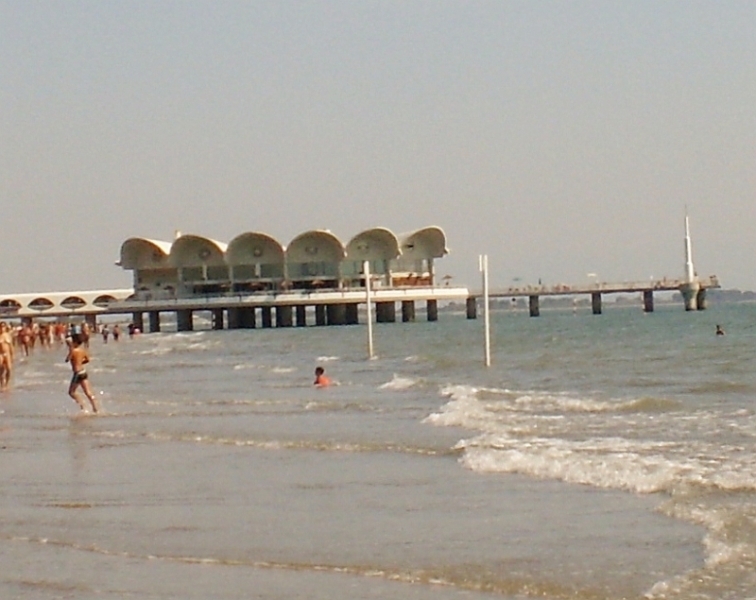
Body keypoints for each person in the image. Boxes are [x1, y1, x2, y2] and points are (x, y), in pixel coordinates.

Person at [66, 335, 100, 413]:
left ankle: (83, 406)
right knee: (88, 392)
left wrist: (70, 348)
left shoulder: (73, 351)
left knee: (71, 392)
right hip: (83, 371)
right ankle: (95, 408)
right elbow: (87, 360)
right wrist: (80, 363)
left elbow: (67, 359)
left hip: (77, 373)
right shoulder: (82, 350)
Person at [0, 322, 15, 392]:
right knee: (1, 369)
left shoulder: (8, 335)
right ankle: (2, 384)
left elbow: (11, 346)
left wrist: (13, 355)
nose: (2, 328)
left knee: (9, 369)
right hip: (0, 354)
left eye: (3, 327)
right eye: (1, 327)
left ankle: (7, 384)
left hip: (7, 353)